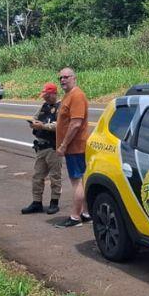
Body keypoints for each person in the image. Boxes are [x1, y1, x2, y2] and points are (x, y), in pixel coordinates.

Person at [55, 67, 91, 227]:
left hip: (75, 147)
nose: (63, 80)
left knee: (77, 181)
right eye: (60, 78)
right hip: (73, 147)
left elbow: (75, 123)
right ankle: (86, 213)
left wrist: (63, 145)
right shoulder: (68, 96)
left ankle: (76, 217)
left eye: (66, 77)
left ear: (74, 78)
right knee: (81, 180)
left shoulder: (77, 96)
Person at [21, 82, 61, 215]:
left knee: (55, 177)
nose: (45, 98)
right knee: (37, 176)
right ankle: (37, 202)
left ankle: (54, 203)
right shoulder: (43, 106)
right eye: (44, 95)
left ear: (54, 94)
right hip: (41, 147)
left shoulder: (60, 107)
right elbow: (35, 117)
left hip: (53, 147)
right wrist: (34, 124)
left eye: (48, 95)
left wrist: (43, 126)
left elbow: (59, 125)